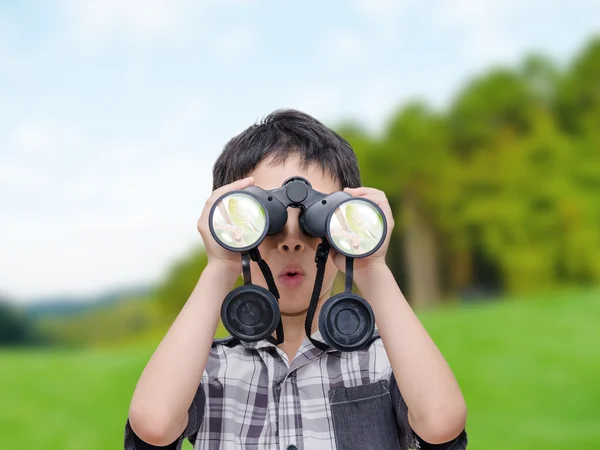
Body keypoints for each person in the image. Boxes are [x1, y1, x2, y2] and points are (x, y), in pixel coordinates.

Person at [123, 109, 468, 450]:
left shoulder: (386, 360)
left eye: (315, 220)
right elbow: (155, 425)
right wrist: (220, 266)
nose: (291, 240)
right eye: (266, 221)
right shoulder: (208, 367)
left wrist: (370, 266)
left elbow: (440, 424)